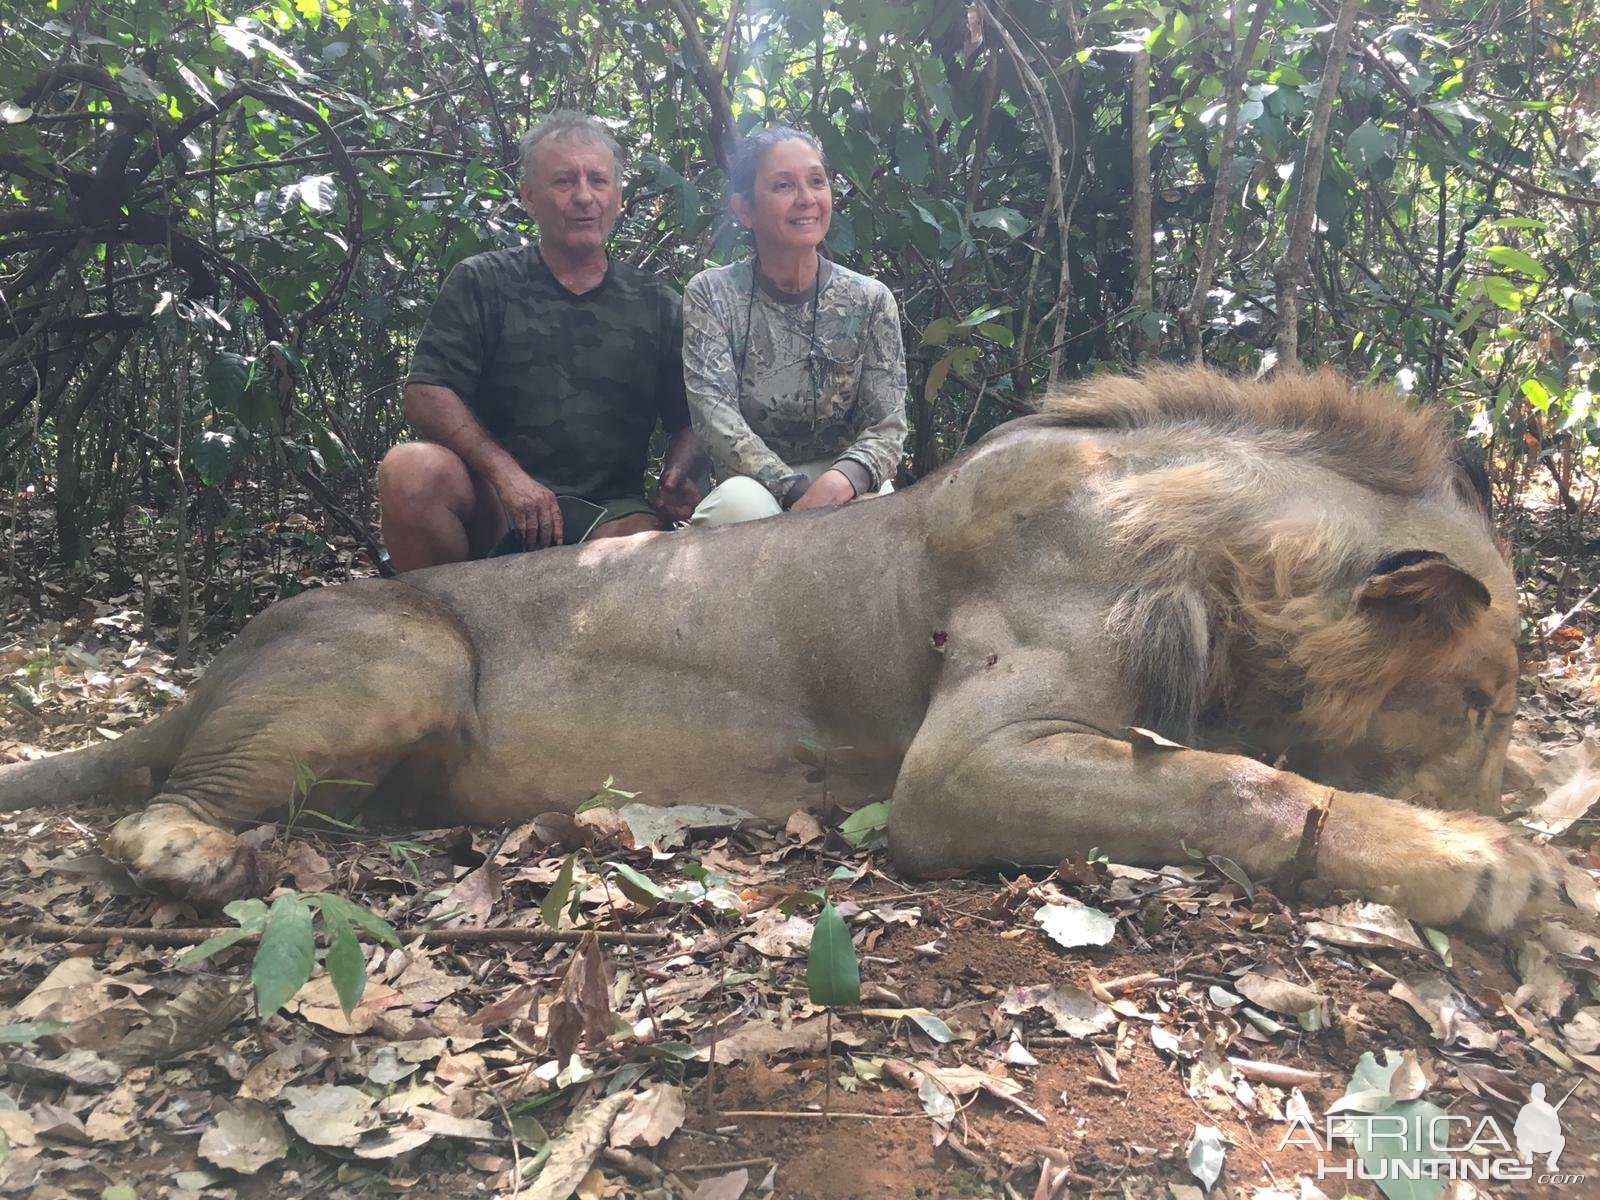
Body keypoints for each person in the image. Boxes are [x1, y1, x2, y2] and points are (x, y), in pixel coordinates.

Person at [379, 111, 704, 571]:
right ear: (529, 197)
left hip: (608, 512)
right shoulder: (484, 281)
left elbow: (690, 416)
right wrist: (507, 477)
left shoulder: (657, 303)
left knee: (643, 549)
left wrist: (679, 472)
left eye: (598, 181)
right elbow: (426, 393)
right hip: (497, 504)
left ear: (617, 198)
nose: (584, 197)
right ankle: (438, 626)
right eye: (564, 182)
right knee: (410, 470)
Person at [682, 127, 907, 526]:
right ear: (744, 210)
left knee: (882, 512)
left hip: (847, 482)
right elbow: (715, 421)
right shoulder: (712, 294)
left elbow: (887, 425)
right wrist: (798, 493)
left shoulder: (869, 300)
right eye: (783, 185)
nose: (806, 199)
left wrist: (842, 481)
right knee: (738, 506)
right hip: (756, 488)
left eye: (816, 181)